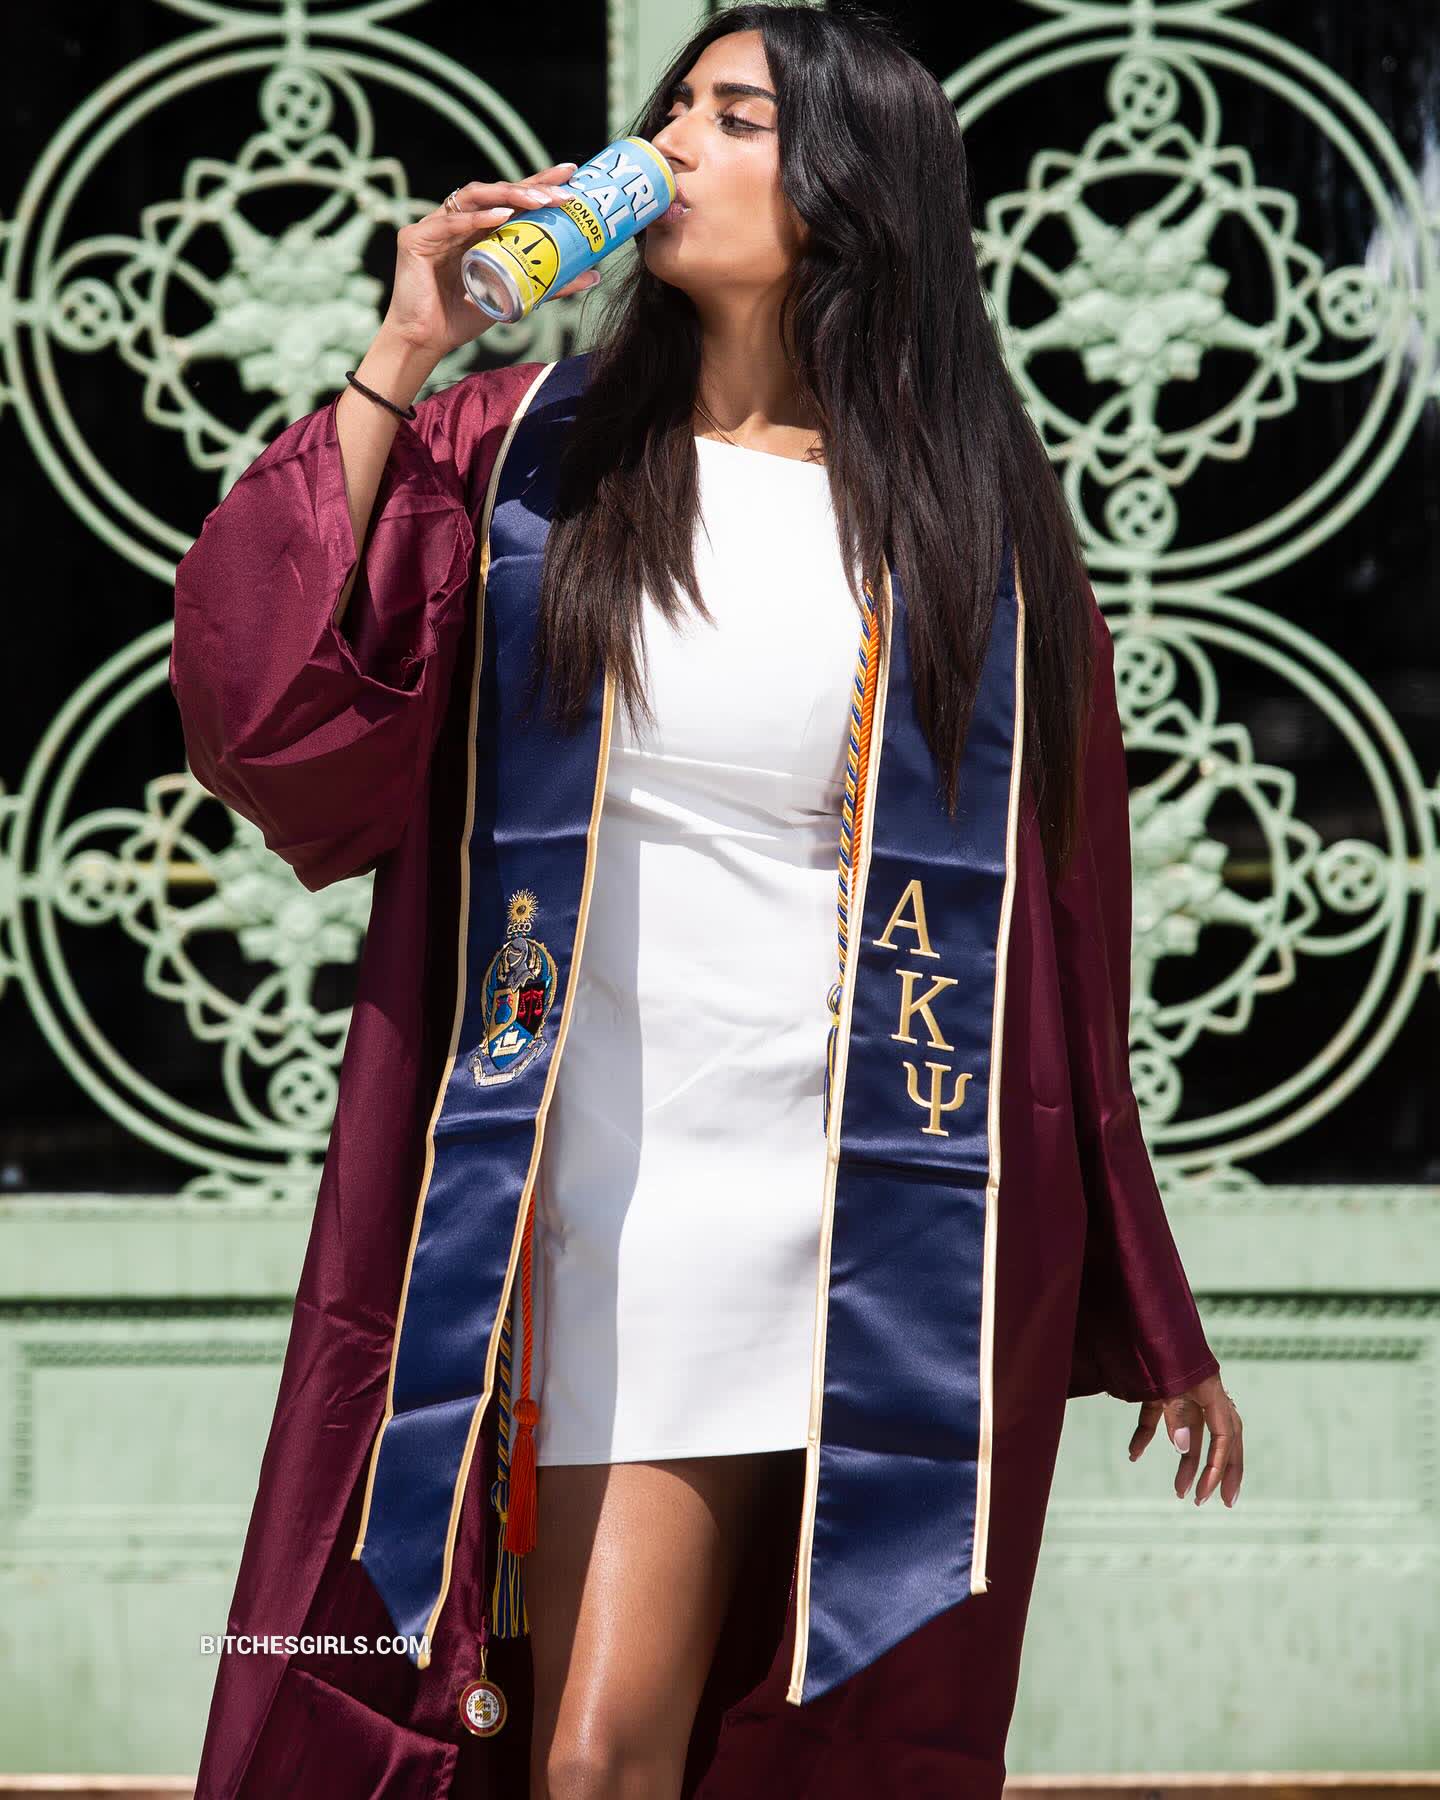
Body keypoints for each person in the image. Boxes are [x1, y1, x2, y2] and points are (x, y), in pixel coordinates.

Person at [170, 5, 1244, 1796]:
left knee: (702, 1743)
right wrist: (404, 349)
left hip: (854, 1190)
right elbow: (263, 705)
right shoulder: (529, 456)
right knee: (564, 1739)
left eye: (733, 118)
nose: (670, 143)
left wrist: (1148, 1296)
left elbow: (1064, 931)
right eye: (673, 108)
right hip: (576, 1174)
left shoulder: (967, 530)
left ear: (845, 190)